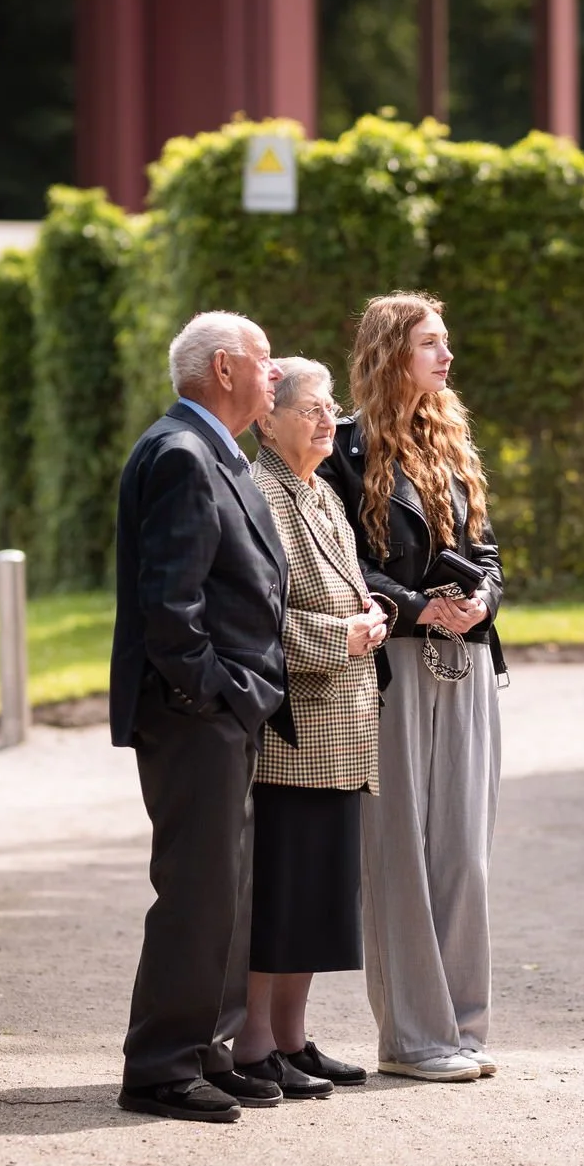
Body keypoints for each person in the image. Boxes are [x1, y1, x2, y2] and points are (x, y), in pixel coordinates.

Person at [110, 311, 296, 1124]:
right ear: (225, 369)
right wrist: (210, 695)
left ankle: (201, 1052)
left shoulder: (209, 452)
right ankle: (157, 1068)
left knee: (226, 892)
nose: (275, 377)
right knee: (196, 893)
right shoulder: (184, 454)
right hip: (198, 715)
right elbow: (169, 604)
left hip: (221, 710)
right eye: (264, 362)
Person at [319, 291, 506, 1083]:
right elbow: (340, 560)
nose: (447, 355)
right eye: (432, 342)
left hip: (468, 670)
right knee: (400, 855)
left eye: (446, 341)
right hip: (393, 669)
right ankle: (414, 1040)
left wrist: (481, 600)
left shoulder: (451, 441)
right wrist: (414, 603)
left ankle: (464, 1028)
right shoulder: (347, 451)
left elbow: (487, 553)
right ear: (393, 352)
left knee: (464, 854)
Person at [231, 357, 392, 1099]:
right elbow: (255, 622)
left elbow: (349, 589)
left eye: (333, 408)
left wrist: (374, 616)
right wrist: (346, 639)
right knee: (282, 898)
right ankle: (254, 1042)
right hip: (293, 737)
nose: (331, 421)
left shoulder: (322, 491)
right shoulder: (258, 492)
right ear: (269, 418)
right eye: (313, 409)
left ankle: (292, 1040)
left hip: (344, 733)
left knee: (319, 902)